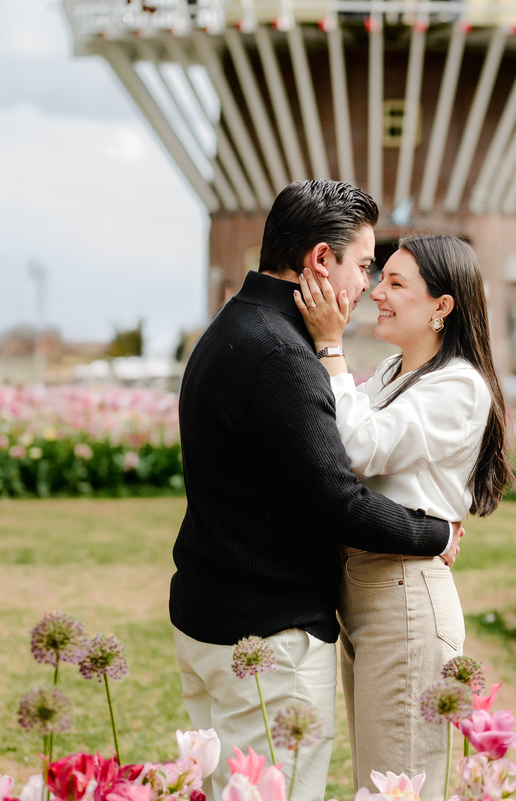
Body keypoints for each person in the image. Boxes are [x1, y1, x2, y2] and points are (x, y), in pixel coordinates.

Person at [169, 181, 462, 801]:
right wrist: (435, 532)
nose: (366, 286)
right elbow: (337, 501)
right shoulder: (280, 353)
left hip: (208, 621)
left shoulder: (229, 326)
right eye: (361, 265)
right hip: (267, 638)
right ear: (319, 261)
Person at [294, 234, 514, 801]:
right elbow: (330, 435)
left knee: (397, 784)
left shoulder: (460, 385)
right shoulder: (394, 371)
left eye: (396, 284)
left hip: (405, 599)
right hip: (371, 593)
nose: (376, 293)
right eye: (380, 277)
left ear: (442, 306)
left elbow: (357, 446)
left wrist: (329, 344)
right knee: (379, 778)